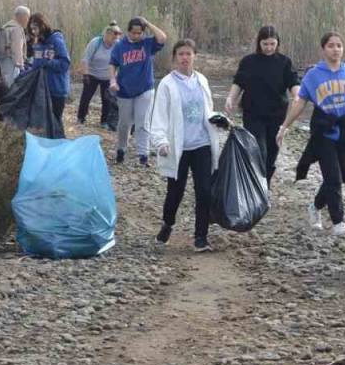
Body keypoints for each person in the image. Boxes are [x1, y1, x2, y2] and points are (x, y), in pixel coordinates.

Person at [147, 39, 224, 252]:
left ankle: (201, 237)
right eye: (181, 54)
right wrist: (161, 141)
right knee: (175, 191)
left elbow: (207, 111)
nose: (185, 58)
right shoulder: (167, 84)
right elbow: (160, 116)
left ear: (195, 56)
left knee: (204, 191)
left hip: (202, 143)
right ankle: (167, 224)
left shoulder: (202, 81)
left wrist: (220, 119)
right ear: (174, 57)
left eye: (189, 54)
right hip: (178, 147)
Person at [277, 32, 345, 235]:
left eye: (339, 45)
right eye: (331, 46)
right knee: (334, 178)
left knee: (334, 178)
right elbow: (300, 103)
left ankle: (316, 207)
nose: (335, 49)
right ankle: (338, 222)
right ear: (323, 49)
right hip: (323, 133)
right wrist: (284, 126)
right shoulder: (313, 74)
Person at [225, 25, 299, 185]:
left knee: (272, 153)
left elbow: (293, 81)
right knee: (259, 149)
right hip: (253, 113)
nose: (269, 48)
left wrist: (296, 95)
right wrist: (231, 98)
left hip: (277, 113)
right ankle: (256, 183)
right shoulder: (248, 61)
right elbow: (239, 82)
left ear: (277, 43)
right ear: (259, 43)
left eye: (272, 44)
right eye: (265, 44)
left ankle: (265, 185)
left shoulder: (285, 62)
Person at [108, 17, 168, 166]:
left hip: (145, 89)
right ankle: (121, 150)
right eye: (133, 33)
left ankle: (143, 155)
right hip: (125, 90)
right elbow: (113, 64)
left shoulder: (147, 43)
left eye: (139, 33)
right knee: (124, 123)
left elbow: (162, 37)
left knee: (143, 122)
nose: (136, 36)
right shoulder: (119, 46)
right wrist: (112, 81)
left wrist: (147, 23)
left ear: (143, 32)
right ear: (128, 31)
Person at [25, 12, 71, 127]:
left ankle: (58, 143)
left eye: (35, 28)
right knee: (43, 122)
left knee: (55, 121)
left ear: (42, 26)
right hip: (42, 89)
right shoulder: (39, 43)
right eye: (32, 30)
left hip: (57, 88)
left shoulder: (56, 40)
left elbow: (65, 64)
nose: (34, 32)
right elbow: (36, 65)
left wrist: (48, 62)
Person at [77, 22, 121, 130]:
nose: (115, 38)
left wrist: (116, 78)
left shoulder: (117, 45)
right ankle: (81, 118)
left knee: (107, 100)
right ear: (107, 34)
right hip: (92, 74)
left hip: (107, 76)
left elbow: (120, 62)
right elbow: (85, 59)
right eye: (113, 35)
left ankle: (104, 121)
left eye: (117, 35)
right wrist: (86, 74)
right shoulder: (95, 43)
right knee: (86, 97)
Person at [0, 5, 30, 84]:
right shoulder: (17, 29)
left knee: (3, 82)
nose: (28, 21)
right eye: (27, 17)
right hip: (12, 63)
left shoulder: (6, 26)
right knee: (10, 85)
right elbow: (17, 49)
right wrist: (21, 65)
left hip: (1, 60)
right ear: (23, 17)